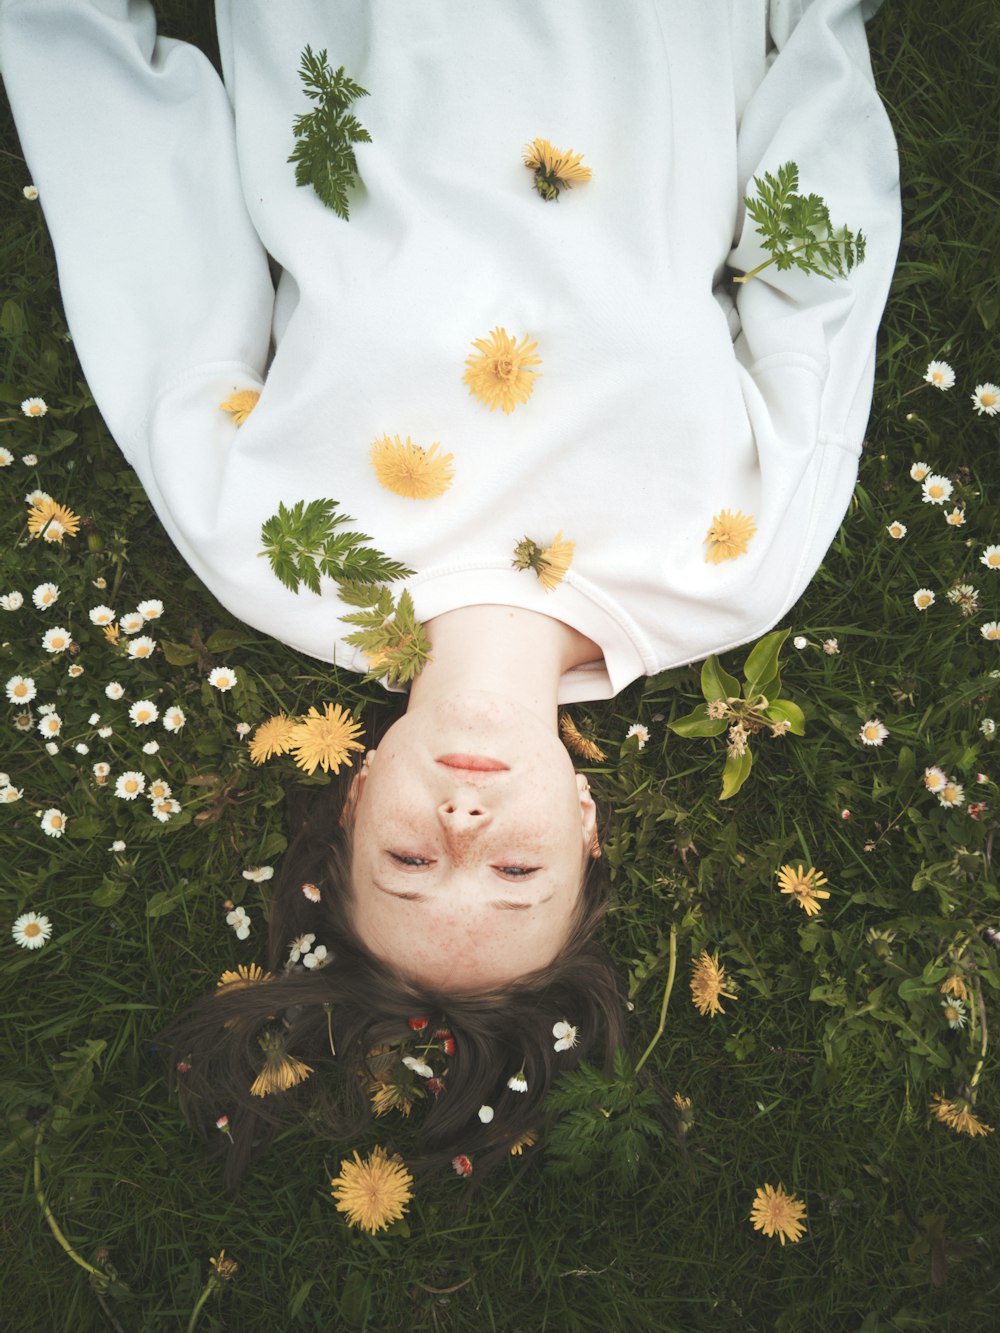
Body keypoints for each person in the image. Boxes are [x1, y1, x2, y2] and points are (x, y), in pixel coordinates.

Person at [0, 0, 901, 1185]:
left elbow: (148, 234)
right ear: (586, 824)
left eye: (409, 865)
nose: (462, 834)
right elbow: (818, 280)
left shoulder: (275, 560)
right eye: (515, 875)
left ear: (360, 792)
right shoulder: (734, 576)